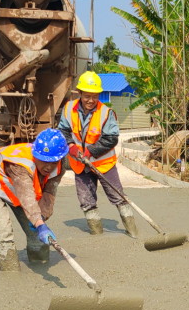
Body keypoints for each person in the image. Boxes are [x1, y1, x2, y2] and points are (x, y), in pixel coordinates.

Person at [57, 71, 138, 237]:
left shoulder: (105, 113)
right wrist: (71, 146)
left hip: (103, 163)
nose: (91, 100)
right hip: (80, 164)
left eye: (95, 96)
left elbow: (111, 138)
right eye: (87, 96)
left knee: (118, 197)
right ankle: (97, 233)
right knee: (86, 200)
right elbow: (63, 131)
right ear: (79, 93)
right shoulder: (68, 109)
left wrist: (90, 151)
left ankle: (133, 232)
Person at [0, 128, 67, 271]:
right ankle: (9, 270)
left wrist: (41, 217)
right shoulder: (20, 165)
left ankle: (39, 261)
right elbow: (27, 197)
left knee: (36, 233)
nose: (49, 167)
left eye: (53, 162)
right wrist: (38, 222)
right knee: (3, 228)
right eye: (43, 161)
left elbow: (49, 192)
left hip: (16, 187)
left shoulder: (60, 165)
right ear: (35, 155)